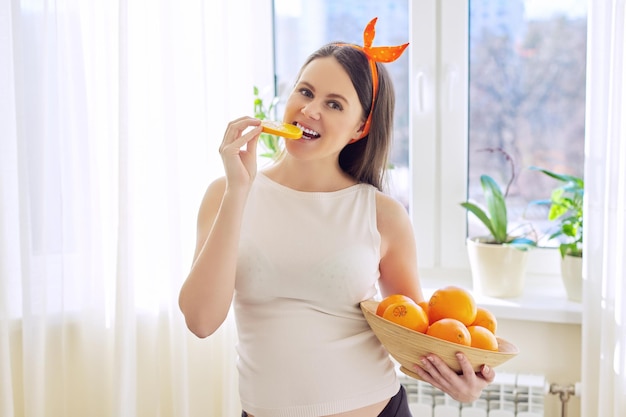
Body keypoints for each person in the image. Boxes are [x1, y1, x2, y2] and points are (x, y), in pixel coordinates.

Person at [178, 17, 495, 417]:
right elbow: (201, 321)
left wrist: (461, 384)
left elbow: (416, 337)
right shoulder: (227, 193)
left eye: (334, 104)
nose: (309, 110)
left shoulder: (383, 215)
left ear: (360, 127)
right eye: (305, 92)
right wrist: (239, 191)